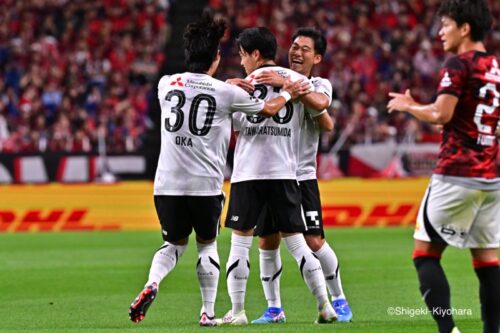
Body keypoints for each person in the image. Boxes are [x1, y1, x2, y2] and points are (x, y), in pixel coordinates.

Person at [128, 12, 307, 327]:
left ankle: (153, 282)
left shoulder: (165, 83)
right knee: (206, 245)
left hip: (166, 183)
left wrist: (222, 84)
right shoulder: (228, 93)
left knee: (173, 244)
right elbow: (267, 109)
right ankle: (207, 312)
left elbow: (196, 89)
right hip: (205, 185)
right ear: (215, 57)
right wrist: (291, 91)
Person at [387, 1, 500, 333]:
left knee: (424, 255)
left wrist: (410, 106)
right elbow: (475, 118)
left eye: (446, 25)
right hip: (491, 178)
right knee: (488, 261)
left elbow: (441, 114)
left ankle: (448, 330)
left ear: (464, 28)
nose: (440, 32)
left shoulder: (459, 63)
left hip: (456, 175)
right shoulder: (496, 66)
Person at [217, 27, 337, 326]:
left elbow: (236, 127)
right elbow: (320, 111)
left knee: (240, 243)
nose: (242, 62)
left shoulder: (243, 84)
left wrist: (230, 89)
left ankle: (238, 311)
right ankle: (325, 306)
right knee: (297, 243)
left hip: (249, 172)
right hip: (285, 172)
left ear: (256, 54)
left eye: (244, 55)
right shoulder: (297, 81)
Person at [246, 27, 353, 324]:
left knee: (314, 240)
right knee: (267, 241)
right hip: (271, 172)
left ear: (317, 57)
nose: (297, 51)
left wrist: (289, 85)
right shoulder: (275, 79)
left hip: (302, 176)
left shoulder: (320, 83)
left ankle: (339, 298)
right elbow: (325, 122)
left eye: (305, 48)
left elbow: (321, 106)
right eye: (294, 46)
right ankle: (274, 308)